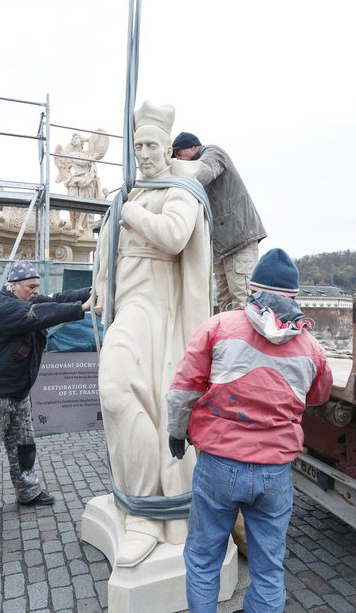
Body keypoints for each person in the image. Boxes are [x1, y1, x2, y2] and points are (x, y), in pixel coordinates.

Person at [166, 248, 333, 612]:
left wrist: (177, 432)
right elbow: (318, 396)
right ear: (294, 297)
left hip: (219, 466)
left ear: (253, 290)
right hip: (275, 471)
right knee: (269, 568)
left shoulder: (218, 327)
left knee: (203, 558)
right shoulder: (312, 348)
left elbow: (184, 390)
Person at [92, 101, 213, 567]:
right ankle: (139, 503)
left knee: (145, 401)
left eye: (151, 145)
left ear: (168, 149)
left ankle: (152, 514)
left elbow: (176, 235)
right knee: (116, 392)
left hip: (160, 314)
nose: (143, 153)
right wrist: (100, 288)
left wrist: (129, 214)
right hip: (130, 309)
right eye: (138, 144)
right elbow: (110, 254)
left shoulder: (179, 189)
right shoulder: (131, 193)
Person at [0, 260, 92, 528]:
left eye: (37, 286)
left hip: (18, 392)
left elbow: (57, 299)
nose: (36, 290)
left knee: (24, 447)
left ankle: (28, 491)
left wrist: (92, 291)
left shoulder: (26, 298)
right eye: (31, 287)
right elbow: (39, 315)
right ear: (13, 286)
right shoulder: (2, 306)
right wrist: (81, 309)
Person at [171, 132, 267, 312]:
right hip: (222, 248)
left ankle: (245, 340)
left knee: (244, 302)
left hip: (239, 241)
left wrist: (172, 181)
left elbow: (204, 173)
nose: (177, 160)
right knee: (226, 306)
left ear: (193, 147)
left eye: (178, 154)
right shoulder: (194, 169)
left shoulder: (214, 153)